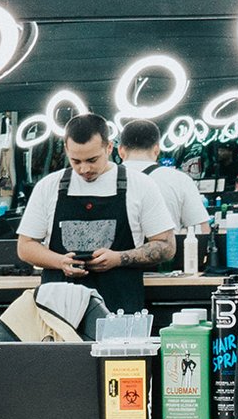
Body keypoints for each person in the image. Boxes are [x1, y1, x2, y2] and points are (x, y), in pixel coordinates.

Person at [16, 111, 176, 322]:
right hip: (59, 314)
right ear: (66, 150)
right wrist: (60, 261)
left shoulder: (140, 185)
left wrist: (119, 258)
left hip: (120, 313)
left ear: (109, 148)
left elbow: (166, 246)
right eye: (76, 161)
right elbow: (25, 246)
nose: (84, 169)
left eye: (92, 160)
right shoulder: (49, 187)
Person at [116, 117, 207, 245]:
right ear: (157, 149)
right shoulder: (179, 179)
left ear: (120, 150)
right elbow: (201, 230)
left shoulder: (107, 178)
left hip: (117, 261)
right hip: (166, 261)